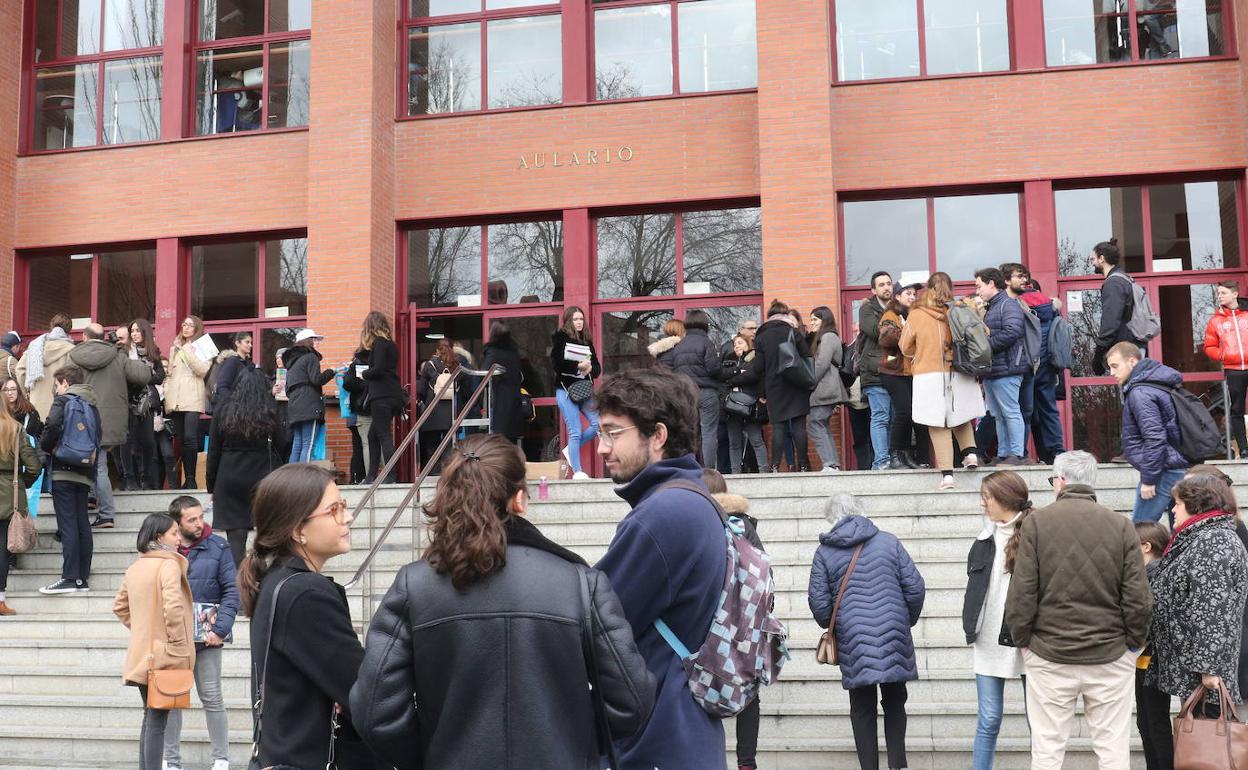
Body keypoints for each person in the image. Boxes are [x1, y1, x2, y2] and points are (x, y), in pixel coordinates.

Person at [349, 434, 656, 768]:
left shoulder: (414, 586)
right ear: (519, 500)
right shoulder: (580, 583)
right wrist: (571, 738)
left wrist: (432, 752)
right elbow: (631, 701)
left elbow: (375, 712)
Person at [592, 367, 729, 769]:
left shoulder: (663, 515)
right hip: (684, 733)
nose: (602, 448)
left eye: (613, 432)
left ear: (658, 436)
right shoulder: (693, 500)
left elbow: (592, 620)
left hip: (655, 739)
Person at [1005, 450, 1152, 770]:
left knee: (1047, 750)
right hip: (1110, 653)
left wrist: (1024, 642)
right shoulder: (1121, 526)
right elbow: (1138, 597)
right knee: (1112, 749)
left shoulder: (1037, 524)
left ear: (1060, 481)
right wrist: (1133, 645)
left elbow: (1022, 592)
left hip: (1050, 652)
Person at [237, 463, 381, 769]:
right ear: (298, 530)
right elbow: (365, 691)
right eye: (334, 510)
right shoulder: (304, 593)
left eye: (344, 506)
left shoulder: (277, 580)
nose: (349, 517)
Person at [808, 492, 926, 770]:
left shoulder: (825, 552)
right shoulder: (888, 541)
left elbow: (819, 601)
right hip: (893, 629)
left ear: (831, 518)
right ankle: (897, 764)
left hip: (853, 636)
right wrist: (904, 619)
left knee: (862, 706)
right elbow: (915, 587)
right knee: (895, 700)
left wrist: (833, 625)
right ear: (861, 511)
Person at [1146, 475, 1248, 713]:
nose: (1173, 511)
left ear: (1196, 505)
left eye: (1178, 504)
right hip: (1197, 671)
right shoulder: (1202, 538)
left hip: (1207, 676)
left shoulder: (1213, 542)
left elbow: (1211, 607)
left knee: (1208, 744)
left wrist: (1209, 669)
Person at [112, 513, 195, 770]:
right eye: (174, 533)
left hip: (143, 654)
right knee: (157, 720)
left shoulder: (136, 566)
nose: (179, 538)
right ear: (159, 537)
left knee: (151, 718)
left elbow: (120, 607)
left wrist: (142, 632)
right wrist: (177, 641)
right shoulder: (168, 565)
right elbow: (173, 608)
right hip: (165, 654)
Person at [162, 496, 237, 770]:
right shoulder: (163, 550)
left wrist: (220, 628)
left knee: (212, 697)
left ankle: (221, 759)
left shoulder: (218, 546)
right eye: (191, 519)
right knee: (171, 699)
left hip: (208, 638)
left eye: (200, 516)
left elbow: (232, 590)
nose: (199, 523)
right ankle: (171, 761)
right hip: (173, 639)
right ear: (177, 522)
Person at [962, 472, 1030, 770]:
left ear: (1003, 499)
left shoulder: (1035, 533)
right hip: (988, 636)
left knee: (1038, 721)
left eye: (986, 497)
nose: (982, 504)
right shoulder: (984, 538)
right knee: (988, 719)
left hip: (1028, 638)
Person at [701, 468, 766, 770]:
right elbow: (765, 577)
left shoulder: (697, 524)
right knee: (748, 693)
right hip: (744, 624)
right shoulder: (745, 527)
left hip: (705, 624)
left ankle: (706, 757)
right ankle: (746, 762)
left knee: (700, 690)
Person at [900, 272, 983, 489]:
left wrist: (919, 353)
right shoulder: (960, 309)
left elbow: (904, 346)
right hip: (959, 370)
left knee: (937, 424)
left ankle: (947, 475)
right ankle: (971, 454)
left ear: (928, 288)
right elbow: (983, 333)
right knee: (960, 416)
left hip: (929, 374)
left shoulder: (917, 314)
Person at [69, 322, 158, 523]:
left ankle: (105, 512)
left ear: (84, 337)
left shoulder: (74, 358)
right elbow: (143, 375)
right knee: (98, 465)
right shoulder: (117, 356)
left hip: (82, 419)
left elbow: (63, 385)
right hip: (108, 422)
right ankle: (98, 504)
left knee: (90, 465)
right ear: (103, 338)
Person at [207, 367, 287, 566]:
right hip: (262, 474)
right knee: (268, 530)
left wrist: (211, 485)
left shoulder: (223, 410)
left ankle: (240, 584)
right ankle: (264, 575)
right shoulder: (270, 410)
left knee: (235, 539)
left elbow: (214, 451)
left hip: (229, 474)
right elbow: (283, 443)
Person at [1106, 341, 1191, 523]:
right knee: (1178, 529)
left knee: (1140, 530)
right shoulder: (1156, 384)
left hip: (1164, 470)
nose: (1112, 373)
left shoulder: (1141, 392)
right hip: (1175, 465)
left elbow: (1154, 437)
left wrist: (1149, 479)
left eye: (1115, 366)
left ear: (1132, 362)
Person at [38, 365, 101, 594]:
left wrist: (48, 447)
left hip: (63, 470)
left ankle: (69, 577)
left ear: (65, 382)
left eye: (56, 385)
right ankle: (81, 578)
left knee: (67, 524)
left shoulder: (62, 401)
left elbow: (52, 426)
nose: (56, 390)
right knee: (82, 522)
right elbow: (98, 437)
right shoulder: (92, 405)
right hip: (84, 472)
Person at [1004, 265, 1065, 462]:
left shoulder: (1015, 304)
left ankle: (1020, 451)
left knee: (1023, 411)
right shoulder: (1049, 305)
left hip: (1027, 364)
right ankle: (1056, 450)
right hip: (1048, 363)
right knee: (1048, 408)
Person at [750, 300, 813, 473]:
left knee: (779, 426)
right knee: (799, 426)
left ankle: (775, 466)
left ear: (769, 317)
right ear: (785, 316)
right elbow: (807, 356)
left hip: (775, 387)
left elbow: (758, 368)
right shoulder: (792, 332)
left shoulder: (762, 337)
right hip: (797, 384)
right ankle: (804, 465)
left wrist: (761, 390)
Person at [974, 268, 1028, 466]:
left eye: (979, 286)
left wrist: (985, 346)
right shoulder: (995, 306)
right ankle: (1005, 454)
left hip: (1007, 369)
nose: (977, 290)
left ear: (991, 284)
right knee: (998, 414)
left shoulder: (1008, 305)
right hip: (994, 371)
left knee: (1010, 411)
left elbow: (1013, 332)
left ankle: (1016, 453)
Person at [1133, 520, 1173, 770]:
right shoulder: (1147, 574)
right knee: (1147, 722)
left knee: (1155, 723)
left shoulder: (1157, 574)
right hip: (1144, 659)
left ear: (1146, 547)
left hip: (1155, 660)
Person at [878, 283, 928, 469]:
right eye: (908, 293)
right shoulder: (890, 315)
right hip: (893, 371)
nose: (912, 297)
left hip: (911, 372)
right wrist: (909, 333)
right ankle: (895, 455)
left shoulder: (914, 316)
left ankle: (907, 456)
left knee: (914, 415)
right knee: (904, 412)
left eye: (914, 294)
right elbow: (887, 338)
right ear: (897, 296)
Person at [668, 310, 726, 467]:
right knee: (709, 433)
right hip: (706, 392)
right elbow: (714, 369)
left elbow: (675, 371)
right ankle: (709, 471)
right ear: (704, 324)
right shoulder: (706, 343)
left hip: (687, 394)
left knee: (690, 433)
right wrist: (729, 372)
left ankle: (691, 468)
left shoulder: (679, 346)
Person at [0, 408, 43, 615]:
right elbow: (34, 466)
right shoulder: (15, 429)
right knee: (2, 549)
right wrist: (20, 484)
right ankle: (0, 600)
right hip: (9, 495)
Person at [551, 306, 601, 479]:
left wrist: (590, 369)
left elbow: (597, 368)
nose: (579, 322)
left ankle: (571, 450)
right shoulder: (561, 338)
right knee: (575, 431)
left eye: (581, 319)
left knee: (598, 424)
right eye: (575, 319)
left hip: (584, 390)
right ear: (568, 321)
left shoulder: (587, 340)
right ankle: (577, 471)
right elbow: (556, 364)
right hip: (565, 390)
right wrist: (576, 366)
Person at [164, 317, 211, 490]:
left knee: (191, 438)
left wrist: (185, 349)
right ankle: (186, 478)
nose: (186, 328)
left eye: (190, 325)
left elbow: (202, 369)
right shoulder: (174, 347)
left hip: (192, 396)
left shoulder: (204, 345)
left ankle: (191, 478)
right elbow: (170, 373)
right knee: (181, 439)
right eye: (184, 324)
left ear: (197, 328)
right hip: (175, 399)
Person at [1203, 279, 1248, 457]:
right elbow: (1209, 346)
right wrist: (1223, 355)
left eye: (1223, 293)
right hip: (1233, 370)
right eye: (1218, 293)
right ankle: (1244, 449)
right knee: (1236, 410)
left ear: (1235, 294)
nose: (1219, 296)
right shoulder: (1215, 321)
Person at [119, 319, 165, 491]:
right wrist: (146, 373)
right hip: (127, 401)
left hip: (146, 403)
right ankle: (129, 478)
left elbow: (160, 376)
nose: (134, 334)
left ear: (145, 332)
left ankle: (146, 478)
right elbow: (125, 374)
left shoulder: (153, 352)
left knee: (148, 442)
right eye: (132, 331)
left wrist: (141, 375)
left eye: (138, 330)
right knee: (127, 441)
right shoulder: (124, 352)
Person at [357, 313, 403, 483]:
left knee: (383, 435)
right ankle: (371, 476)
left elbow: (378, 369)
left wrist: (364, 374)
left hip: (381, 396)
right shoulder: (391, 344)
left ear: (371, 327)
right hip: (391, 394)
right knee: (372, 436)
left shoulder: (379, 344)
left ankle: (390, 476)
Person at [417, 338, 473, 473]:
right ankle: (449, 470)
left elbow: (421, 390)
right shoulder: (459, 365)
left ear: (437, 350)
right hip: (452, 410)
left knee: (432, 442)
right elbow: (467, 390)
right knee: (450, 442)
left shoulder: (430, 365)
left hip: (433, 409)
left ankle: (433, 470)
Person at [1091, 239, 1145, 375]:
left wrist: (1098, 355)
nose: (1092, 263)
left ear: (1101, 258)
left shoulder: (1113, 283)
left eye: (1093, 259)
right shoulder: (1125, 279)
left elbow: (1110, 322)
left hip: (1126, 351)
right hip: (1134, 348)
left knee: (1131, 393)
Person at [283, 329, 334, 465]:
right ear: (308, 341)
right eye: (315, 339)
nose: (317, 343)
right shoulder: (311, 357)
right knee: (308, 444)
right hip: (309, 406)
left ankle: (292, 479)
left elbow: (287, 390)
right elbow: (317, 379)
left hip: (294, 407)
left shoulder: (291, 364)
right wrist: (331, 372)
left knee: (297, 445)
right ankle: (302, 481)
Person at [859, 272, 895, 469]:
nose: (886, 288)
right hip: (874, 372)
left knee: (895, 418)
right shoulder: (866, 309)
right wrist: (895, 327)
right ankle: (881, 462)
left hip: (895, 369)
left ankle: (891, 459)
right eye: (881, 285)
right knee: (881, 417)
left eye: (889, 283)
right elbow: (875, 332)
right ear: (874, 290)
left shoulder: (898, 307)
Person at [808, 306, 848, 473]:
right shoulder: (829, 336)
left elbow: (822, 363)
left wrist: (809, 382)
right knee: (822, 424)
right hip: (827, 386)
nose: (812, 323)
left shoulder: (828, 336)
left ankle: (830, 463)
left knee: (815, 423)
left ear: (824, 320)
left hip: (824, 386)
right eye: (811, 320)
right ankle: (832, 463)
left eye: (815, 320)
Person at [722, 334, 769, 474]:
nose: (736, 345)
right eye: (735, 343)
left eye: (740, 342)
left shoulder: (754, 358)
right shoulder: (728, 362)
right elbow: (721, 377)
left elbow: (752, 375)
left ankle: (764, 471)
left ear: (748, 344)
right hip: (732, 407)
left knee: (756, 440)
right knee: (734, 442)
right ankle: (735, 472)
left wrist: (732, 379)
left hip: (750, 405)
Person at [16, 313, 75, 420]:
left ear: (51, 326)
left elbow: (19, 370)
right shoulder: (71, 350)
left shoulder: (35, 347)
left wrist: (26, 392)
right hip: (60, 405)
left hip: (35, 403)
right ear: (69, 330)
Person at [481, 320, 526, 444]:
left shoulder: (493, 351)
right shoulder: (514, 352)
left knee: (499, 441)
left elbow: (484, 373)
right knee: (511, 441)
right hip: (514, 399)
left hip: (500, 400)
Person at [208, 331, 254, 412]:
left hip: (244, 410)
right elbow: (222, 387)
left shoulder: (249, 364)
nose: (250, 345)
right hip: (232, 412)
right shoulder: (232, 361)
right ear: (237, 343)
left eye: (251, 342)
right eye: (247, 342)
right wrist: (234, 404)